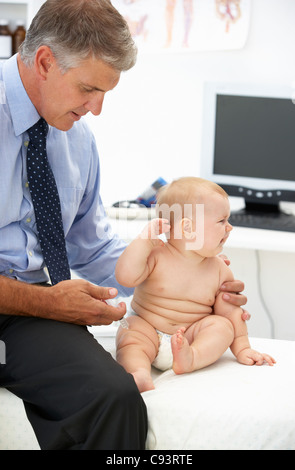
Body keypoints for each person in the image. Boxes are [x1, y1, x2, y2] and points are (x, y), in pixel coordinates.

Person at [0, 0, 248, 450]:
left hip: (24, 316)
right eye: (88, 89)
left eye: (106, 93)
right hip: (32, 303)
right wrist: (48, 303)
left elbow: (91, 247)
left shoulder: (76, 139)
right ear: (44, 61)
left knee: (114, 398)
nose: (96, 110)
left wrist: (181, 279)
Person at [115, 177, 275, 393]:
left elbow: (230, 313)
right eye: (221, 221)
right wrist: (143, 240)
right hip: (149, 329)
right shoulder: (155, 255)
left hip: (190, 337)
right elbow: (125, 277)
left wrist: (243, 348)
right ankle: (139, 372)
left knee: (222, 326)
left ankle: (192, 358)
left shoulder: (220, 269)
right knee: (130, 329)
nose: (230, 227)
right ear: (188, 228)